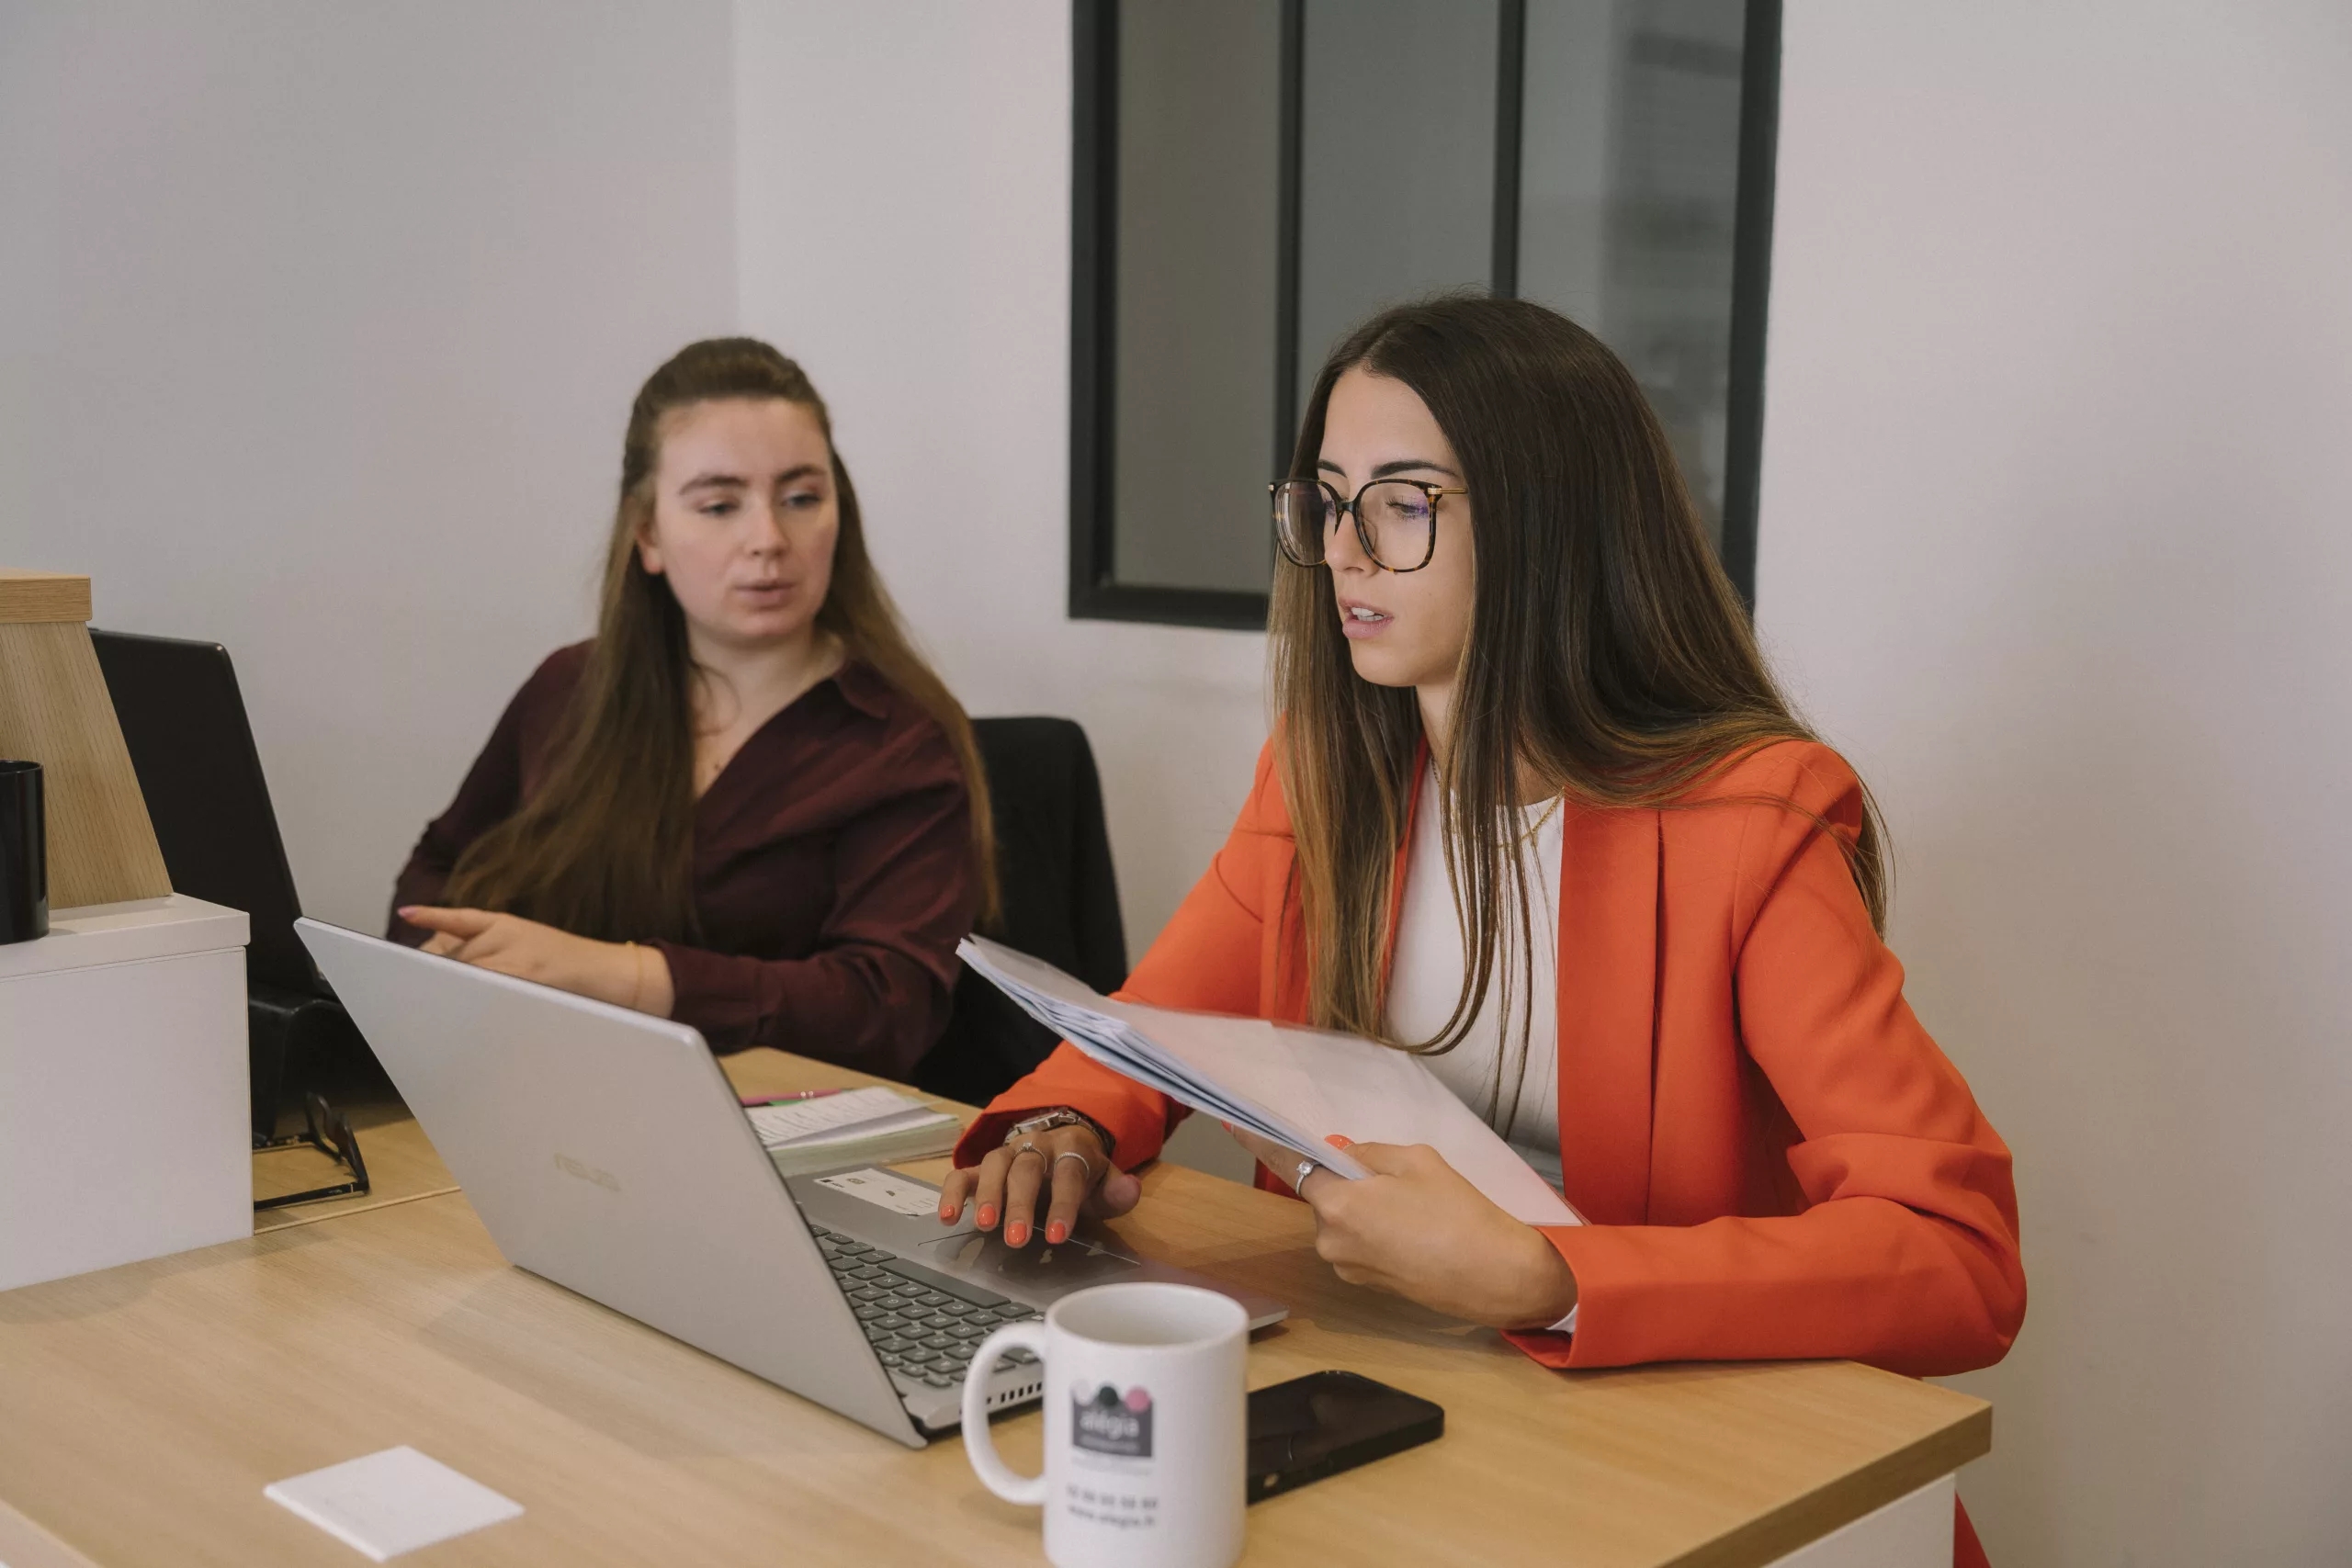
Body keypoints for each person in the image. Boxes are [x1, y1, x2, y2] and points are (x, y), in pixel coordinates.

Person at [938, 298, 2022, 1566]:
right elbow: (1139, 1031)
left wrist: (1551, 1274)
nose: (1343, 551)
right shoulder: (1321, 775)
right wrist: (1064, 1125)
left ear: (1550, 526)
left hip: (1681, 1460)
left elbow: (1961, 1258)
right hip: (1412, 1422)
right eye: (1328, 500)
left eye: (1402, 503)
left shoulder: (1754, 823)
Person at [389, 337, 992, 1078]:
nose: (768, 539)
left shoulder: (897, 740)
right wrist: (450, 962)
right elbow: (439, 869)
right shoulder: (569, 688)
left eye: (802, 497)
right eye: (719, 505)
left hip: (786, 1129)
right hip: (553, 1086)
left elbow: (884, 1009)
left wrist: (617, 973)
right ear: (648, 534)